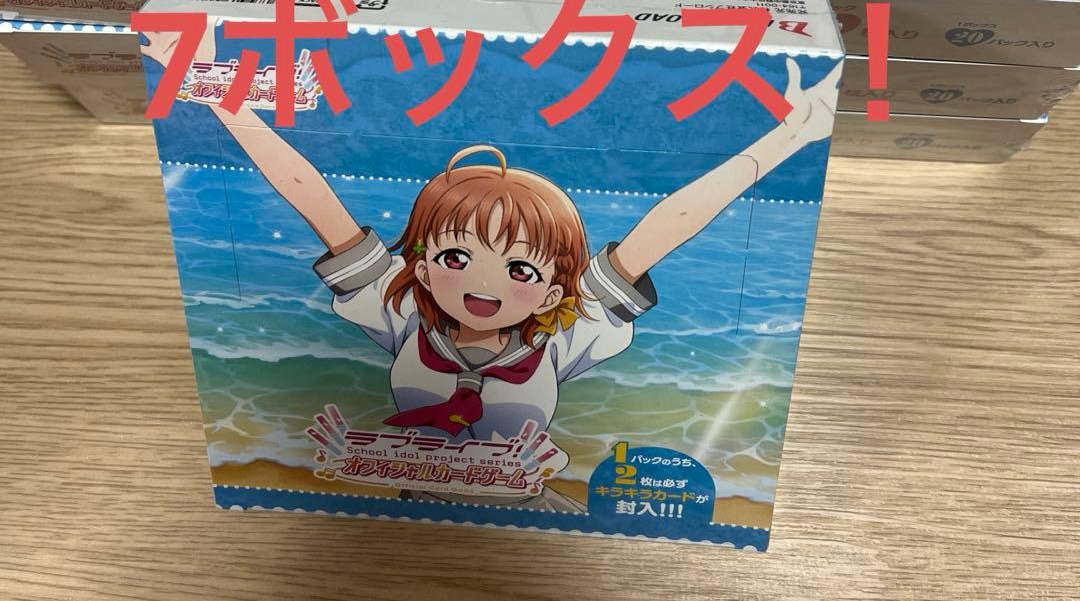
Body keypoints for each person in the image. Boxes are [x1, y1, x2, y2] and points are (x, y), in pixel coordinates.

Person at [140, 26, 840, 510]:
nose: (483, 285)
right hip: (405, 499)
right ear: (420, 264)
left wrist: (788, 139)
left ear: (556, 285)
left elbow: (668, 224)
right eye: (455, 257)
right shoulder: (402, 311)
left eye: (521, 271)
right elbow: (311, 194)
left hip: (525, 513)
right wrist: (215, 90)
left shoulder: (565, 333)